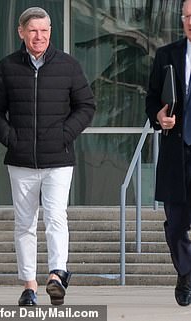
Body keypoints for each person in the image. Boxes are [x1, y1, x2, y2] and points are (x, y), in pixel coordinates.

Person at [0, 7, 95, 306]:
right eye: (33, 30)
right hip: (21, 161)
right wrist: (11, 138)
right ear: (21, 32)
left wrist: (63, 135)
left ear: (50, 33)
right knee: (25, 224)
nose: (39, 36)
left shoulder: (68, 66)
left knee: (57, 217)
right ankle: (29, 285)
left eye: (44, 30)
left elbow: (86, 106)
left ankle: (57, 274)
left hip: (58, 159)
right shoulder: (6, 67)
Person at [146, 0, 191, 307]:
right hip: (176, 153)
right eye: (188, 16)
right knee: (175, 224)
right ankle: (186, 273)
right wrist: (159, 118)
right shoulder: (166, 55)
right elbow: (151, 99)